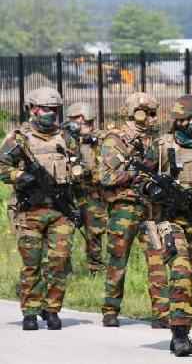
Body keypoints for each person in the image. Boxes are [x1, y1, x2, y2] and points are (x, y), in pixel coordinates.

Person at [0, 87, 77, 331]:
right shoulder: (18, 138)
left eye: (54, 110)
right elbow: (2, 166)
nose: (50, 114)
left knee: (59, 261)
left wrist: (79, 172)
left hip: (60, 212)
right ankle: (30, 311)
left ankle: (52, 309)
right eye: (45, 109)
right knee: (31, 263)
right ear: (32, 109)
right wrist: (20, 176)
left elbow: (81, 164)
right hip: (29, 211)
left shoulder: (65, 137)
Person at [98, 92, 170, 329]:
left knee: (158, 259)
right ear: (134, 113)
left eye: (153, 113)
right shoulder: (115, 140)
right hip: (125, 208)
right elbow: (105, 176)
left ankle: (161, 313)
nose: (151, 118)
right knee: (118, 259)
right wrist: (133, 175)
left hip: (151, 208)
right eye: (146, 113)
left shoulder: (155, 141)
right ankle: (110, 309)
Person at [155, 94, 192, 356]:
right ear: (181, 120)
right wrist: (156, 190)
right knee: (180, 272)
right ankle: (179, 336)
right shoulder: (161, 148)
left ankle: (183, 331)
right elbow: (137, 178)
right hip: (171, 221)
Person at [63, 102, 107, 276]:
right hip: (70, 192)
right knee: (65, 230)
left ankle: (95, 269)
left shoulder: (100, 138)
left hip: (92, 192)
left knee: (94, 232)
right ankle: (64, 270)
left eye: (80, 120)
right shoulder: (65, 138)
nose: (77, 123)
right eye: (74, 120)